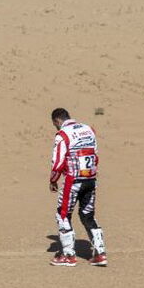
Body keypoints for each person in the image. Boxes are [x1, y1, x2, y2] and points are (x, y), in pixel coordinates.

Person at [48, 108, 107, 267]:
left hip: (73, 181)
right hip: (91, 178)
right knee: (88, 214)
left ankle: (68, 255)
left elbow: (58, 163)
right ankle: (100, 253)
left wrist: (53, 180)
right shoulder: (89, 129)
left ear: (57, 121)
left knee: (63, 215)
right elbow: (95, 156)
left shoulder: (63, 135)